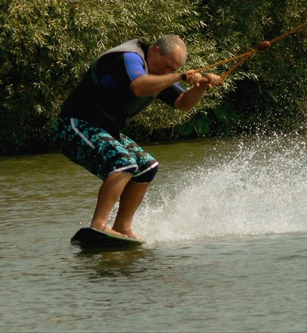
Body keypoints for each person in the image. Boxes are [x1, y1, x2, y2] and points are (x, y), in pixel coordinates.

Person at [54, 34, 222, 239]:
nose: (167, 72)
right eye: (167, 66)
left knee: (146, 166)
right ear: (155, 51)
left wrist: (202, 87)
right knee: (123, 163)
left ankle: (122, 228)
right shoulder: (130, 57)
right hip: (74, 124)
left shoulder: (158, 75)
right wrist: (179, 77)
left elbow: (182, 103)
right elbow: (139, 86)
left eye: (173, 70)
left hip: (105, 130)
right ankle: (99, 225)